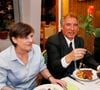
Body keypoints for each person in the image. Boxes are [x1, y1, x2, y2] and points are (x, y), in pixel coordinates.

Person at [0, 22, 66, 90]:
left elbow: (42, 68)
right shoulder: (3, 58)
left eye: (31, 36)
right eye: (26, 37)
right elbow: (1, 84)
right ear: (14, 40)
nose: (31, 40)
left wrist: (51, 78)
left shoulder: (36, 49)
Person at [46, 13, 100, 79]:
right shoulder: (53, 41)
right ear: (62, 27)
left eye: (75, 25)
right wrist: (69, 58)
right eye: (68, 25)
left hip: (77, 77)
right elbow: (54, 68)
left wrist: (98, 67)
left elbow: (86, 57)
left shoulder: (79, 40)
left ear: (78, 28)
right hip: (59, 79)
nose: (72, 29)